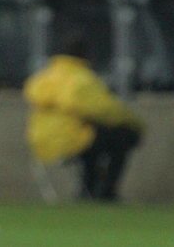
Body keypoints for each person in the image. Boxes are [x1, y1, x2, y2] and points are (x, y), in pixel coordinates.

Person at [23, 30, 144, 202]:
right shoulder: (82, 79)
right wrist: (137, 124)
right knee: (124, 137)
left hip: (41, 142)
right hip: (71, 140)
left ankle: (86, 191)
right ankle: (106, 192)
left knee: (94, 140)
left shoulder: (45, 76)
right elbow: (106, 111)